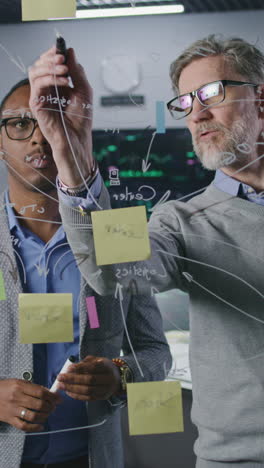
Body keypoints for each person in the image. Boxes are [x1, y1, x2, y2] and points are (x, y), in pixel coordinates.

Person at [51, 35, 264, 468]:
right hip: (238, 459)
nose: (197, 113)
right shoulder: (176, 221)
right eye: (184, 102)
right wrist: (73, 157)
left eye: (211, 93)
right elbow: (108, 271)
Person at [0, 50, 172, 468]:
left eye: (46, 121)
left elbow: (155, 353)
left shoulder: (119, 237)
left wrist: (119, 375)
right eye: (20, 124)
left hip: (91, 457)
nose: (38, 136)